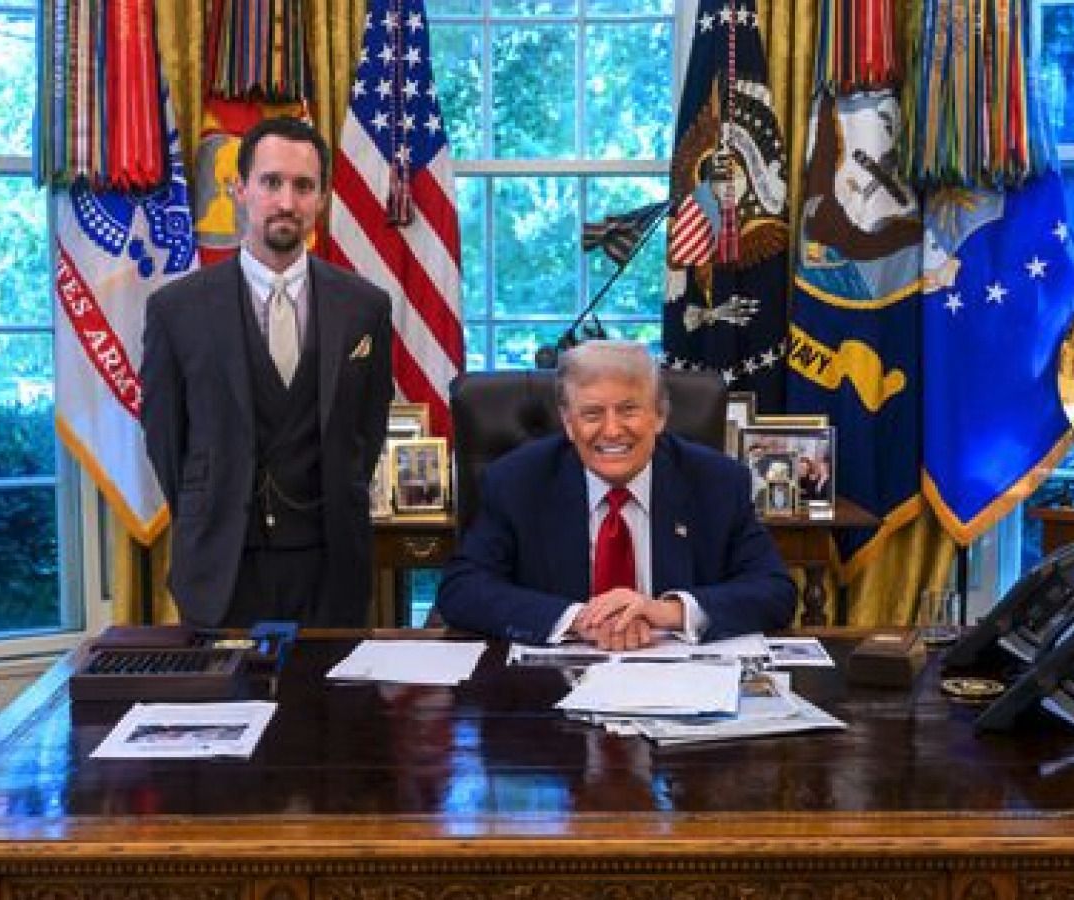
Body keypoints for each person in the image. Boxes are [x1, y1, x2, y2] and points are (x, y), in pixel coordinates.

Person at [142, 117, 393, 628]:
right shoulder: (176, 310)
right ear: (240, 189)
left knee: (329, 685)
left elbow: (367, 433)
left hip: (330, 568)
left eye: (303, 186)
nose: (286, 202)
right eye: (271, 182)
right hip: (220, 568)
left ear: (322, 198)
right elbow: (166, 440)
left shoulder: (365, 308)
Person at [436, 341, 796, 650]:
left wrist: (667, 612)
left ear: (659, 416)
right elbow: (462, 589)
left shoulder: (717, 481)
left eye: (628, 410)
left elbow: (775, 591)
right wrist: (578, 619)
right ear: (568, 423)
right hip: (553, 689)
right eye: (592, 413)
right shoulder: (518, 481)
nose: (611, 431)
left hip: (679, 685)